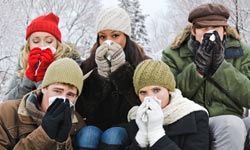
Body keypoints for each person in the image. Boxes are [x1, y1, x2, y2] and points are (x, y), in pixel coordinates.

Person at [162, 3, 250, 150]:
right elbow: (167, 95)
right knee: (232, 125)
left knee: (232, 124)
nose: (209, 32)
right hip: (190, 118)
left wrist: (220, 68)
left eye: (215, 28)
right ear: (194, 31)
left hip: (230, 116)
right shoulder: (173, 54)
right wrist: (198, 69)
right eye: (203, 28)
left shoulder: (241, 51)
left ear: (224, 30)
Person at [75, 6, 150, 149]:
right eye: (103, 37)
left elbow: (143, 102)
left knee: (113, 135)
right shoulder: (88, 65)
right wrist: (100, 76)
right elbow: (82, 108)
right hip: (95, 124)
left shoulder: (143, 64)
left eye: (115, 36)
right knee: (88, 135)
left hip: (128, 126)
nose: (108, 42)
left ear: (126, 36)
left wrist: (121, 71)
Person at [0, 58, 85, 149]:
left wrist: (62, 143)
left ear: (76, 98)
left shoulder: (77, 124)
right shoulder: (6, 113)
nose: (63, 98)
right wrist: (43, 135)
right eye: (57, 91)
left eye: (70, 94)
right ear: (44, 88)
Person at [123, 59, 209, 149]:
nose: (150, 97)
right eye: (143, 93)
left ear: (168, 90)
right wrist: (141, 139)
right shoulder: (138, 117)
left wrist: (157, 135)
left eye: (156, 90)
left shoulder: (195, 115)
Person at [4, 12, 82, 100]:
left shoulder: (69, 64)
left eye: (49, 41)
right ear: (29, 45)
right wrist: (28, 81)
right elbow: (7, 102)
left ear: (57, 44)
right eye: (36, 41)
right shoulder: (23, 60)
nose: (42, 45)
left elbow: (54, 104)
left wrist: (42, 78)